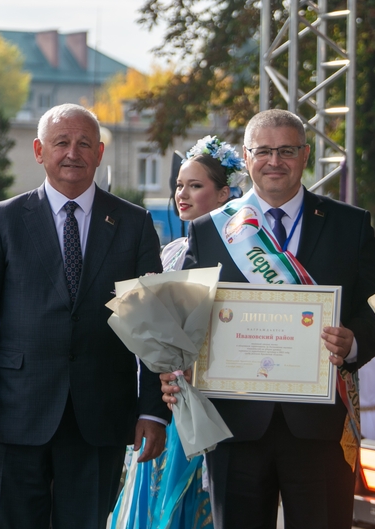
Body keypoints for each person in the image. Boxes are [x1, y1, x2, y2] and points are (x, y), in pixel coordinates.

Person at [161, 109, 375, 528]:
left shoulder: (349, 225)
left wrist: (353, 342)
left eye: (286, 150)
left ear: (305, 155)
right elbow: (182, 318)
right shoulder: (210, 229)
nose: (274, 161)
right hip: (234, 426)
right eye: (263, 151)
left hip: (321, 427)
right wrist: (180, 360)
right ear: (246, 158)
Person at [0, 103, 170, 529]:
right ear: (38, 150)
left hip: (100, 416)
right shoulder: (2, 220)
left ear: (100, 152)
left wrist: (153, 410)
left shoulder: (133, 223)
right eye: (61, 142)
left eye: (84, 143)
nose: (73, 152)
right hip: (15, 415)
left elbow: (154, 325)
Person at [110, 135, 246, 529]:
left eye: (196, 186)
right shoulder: (170, 252)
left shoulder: (240, 257)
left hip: (217, 399)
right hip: (171, 400)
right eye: (179, 185)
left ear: (224, 194)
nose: (182, 194)